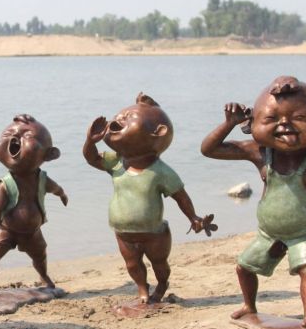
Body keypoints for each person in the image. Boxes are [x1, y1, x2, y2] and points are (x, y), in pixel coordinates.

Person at [200, 76, 306, 328]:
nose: (285, 125)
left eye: (299, 117)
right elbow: (209, 149)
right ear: (252, 123)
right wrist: (229, 124)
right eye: (271, 118)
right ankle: (249, 305)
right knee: (244, 268)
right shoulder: (260, 153)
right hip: (269, 232)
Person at [83, 93, 216, 304]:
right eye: (119, 117)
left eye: (128, 118)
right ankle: (142, 289)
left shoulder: (160, 171)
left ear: (157, 133)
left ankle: (161, 285)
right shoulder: (116, 163)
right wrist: (90, 142)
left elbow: (181, 197)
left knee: (159, 263)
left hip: (155, 233)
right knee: (132, 264)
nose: (118, 120)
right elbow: (91, 158)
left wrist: (193, 217)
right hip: (123, 232)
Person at [0, 114, 68, 296]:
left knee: (40, 254)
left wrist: (62, 194)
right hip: (7, 229)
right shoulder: (5, 185)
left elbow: (55, 188)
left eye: (27, 136)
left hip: (32, 231)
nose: (15, 138)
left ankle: (44, 277)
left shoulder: (41, 179)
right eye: (8, 135)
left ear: (50, 154)